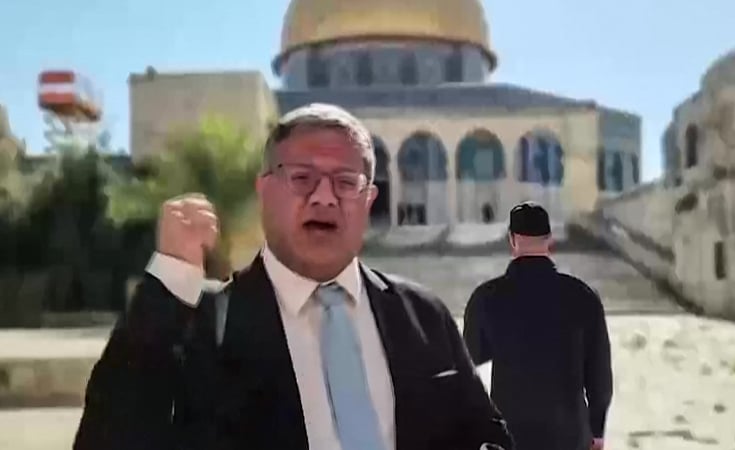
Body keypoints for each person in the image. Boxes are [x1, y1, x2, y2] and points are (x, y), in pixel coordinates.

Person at [73, 103, 513, 450]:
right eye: (302, 178)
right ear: (265, 190)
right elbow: (110, 438)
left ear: (368, 199)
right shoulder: (204, 325)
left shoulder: (422, 316)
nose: (324, 198)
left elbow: (484, 434)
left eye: (345, 182)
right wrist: (171, 277)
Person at [462, 202, 613, 450]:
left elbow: (468, 365)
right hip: (569, 435)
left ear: (512, 240)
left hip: (510, 435)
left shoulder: (486, 298)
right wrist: (596, 431)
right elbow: (599, 378)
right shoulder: (583, 296)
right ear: (550, 241)